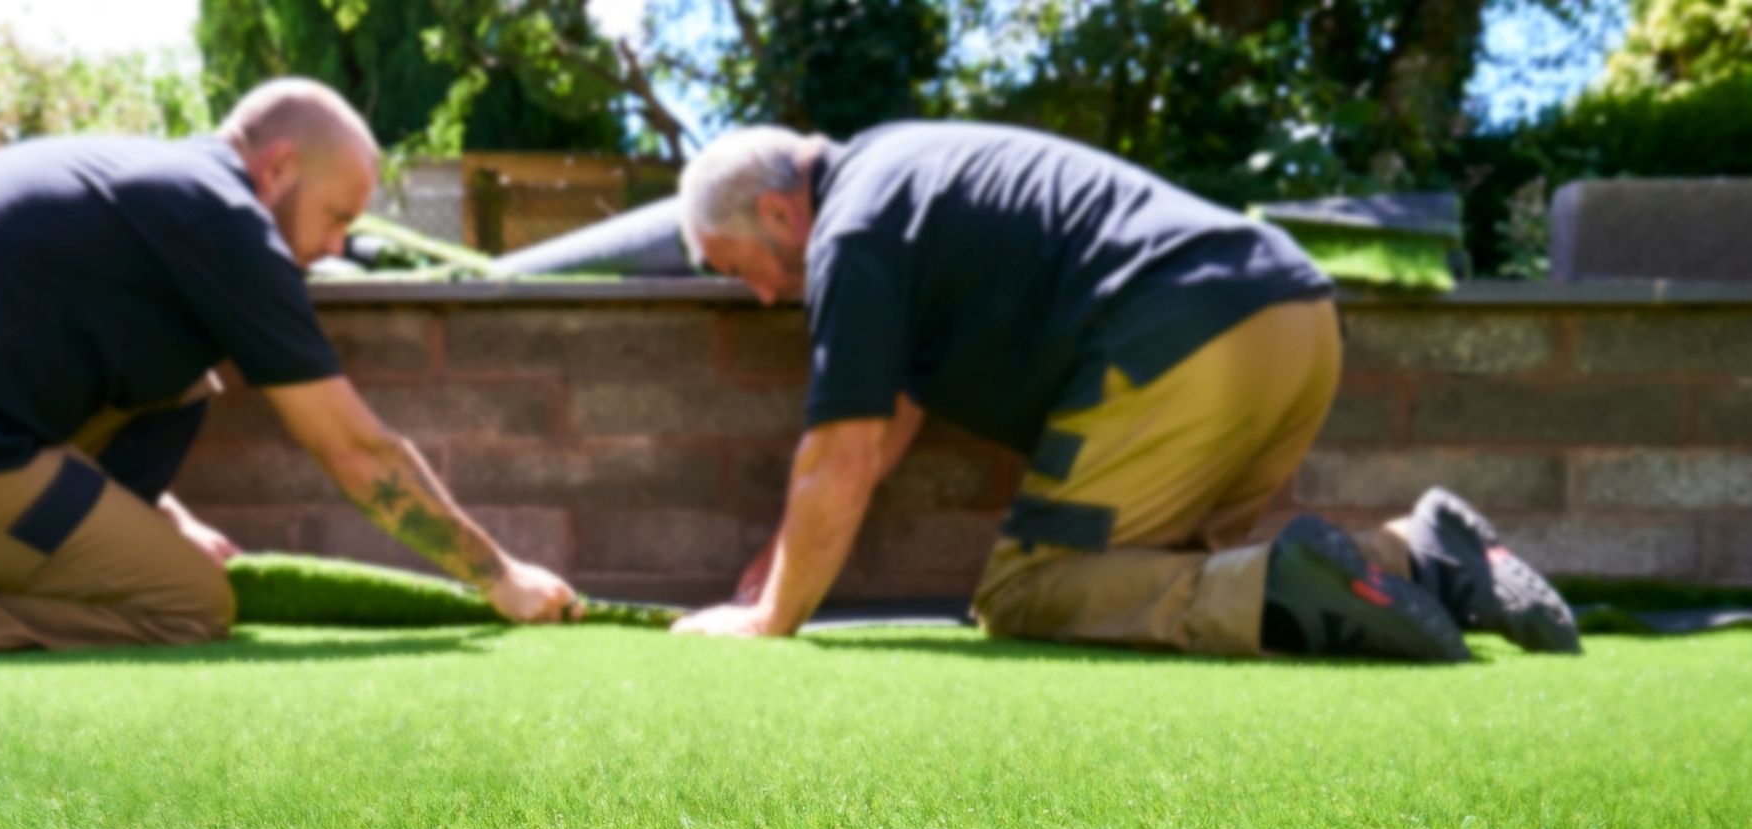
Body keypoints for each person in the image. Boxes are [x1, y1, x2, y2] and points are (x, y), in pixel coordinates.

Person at [670, 122, 1579, 661]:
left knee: (1030, 589)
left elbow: (842, 449)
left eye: (736, 267)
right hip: (1293, 323)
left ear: (780, 213)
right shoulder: (898, 176)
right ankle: (1422, 553)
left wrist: (768, 619)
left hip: (1185, 342)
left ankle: (1296, 584)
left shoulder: (853, 235)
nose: (755, 294)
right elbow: (885, 420)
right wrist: (782, 560)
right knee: (1159, 570)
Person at [0, 78, 581, 655]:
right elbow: (357, 452)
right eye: (336, 216)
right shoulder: (222, 218)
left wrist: (166, 516)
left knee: (187, 380)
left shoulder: (160, 189)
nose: (333, 249)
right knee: (189, 604)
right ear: (279, 165)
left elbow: (73, 367)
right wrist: (498, 576)